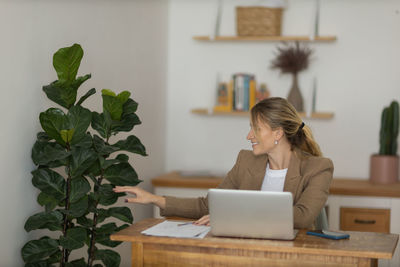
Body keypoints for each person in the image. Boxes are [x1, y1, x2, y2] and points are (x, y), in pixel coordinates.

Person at [113, 97, 334, 229]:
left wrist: (236, 217)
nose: (249, 136)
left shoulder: (317, 168)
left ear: (277, 133)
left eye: (256, 129)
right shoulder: (246, 160)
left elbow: (303, 217)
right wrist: (154, 199)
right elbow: (209, 206)